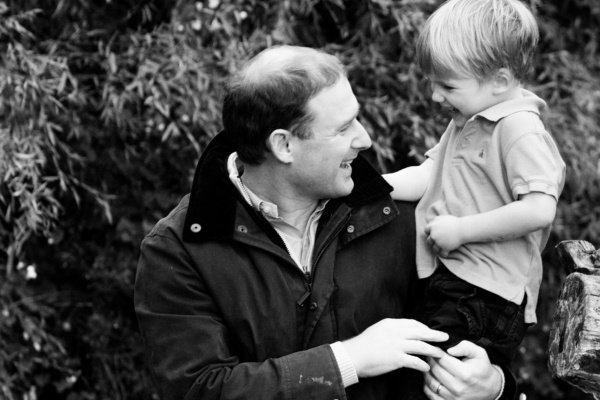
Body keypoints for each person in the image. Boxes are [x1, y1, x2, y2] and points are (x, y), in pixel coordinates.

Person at [134, 44, 516, 400]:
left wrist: (495, 385)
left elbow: (473, 325)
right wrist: (347, 361)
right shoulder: (178, 248)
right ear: (284, 145)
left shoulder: (402, 214)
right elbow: (200, 389)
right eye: (343, 127)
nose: (364, 139)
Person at [384, 0, 566, 368]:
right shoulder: (468, 118)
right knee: (417, 371)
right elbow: (428, 175)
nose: (435, 96)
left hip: (487, 293)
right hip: (453, 278)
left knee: (444, 379)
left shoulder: (519, 129)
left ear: (499, 81)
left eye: (448, 85)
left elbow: (539, 208)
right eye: (433, 83)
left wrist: (462, 230)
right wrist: (373, 184)